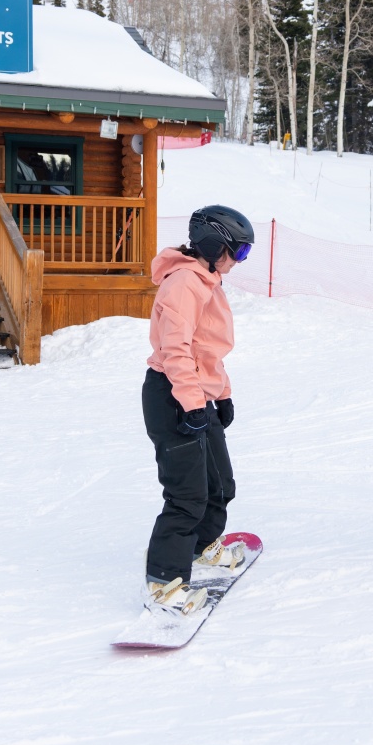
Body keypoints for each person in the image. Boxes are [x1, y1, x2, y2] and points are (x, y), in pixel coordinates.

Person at [141, 205, 255, 616]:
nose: (238, 262)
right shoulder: (185, 283)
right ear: (211, 245)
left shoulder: (209, 280)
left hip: (195, 394)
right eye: (237, 252)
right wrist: (192, 403)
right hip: (172, 395)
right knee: (187, 495)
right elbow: (176, 351)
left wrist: (221, 394)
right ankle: (163, 584)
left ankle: (204, 547)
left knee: (220, 484)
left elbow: (207, 350)